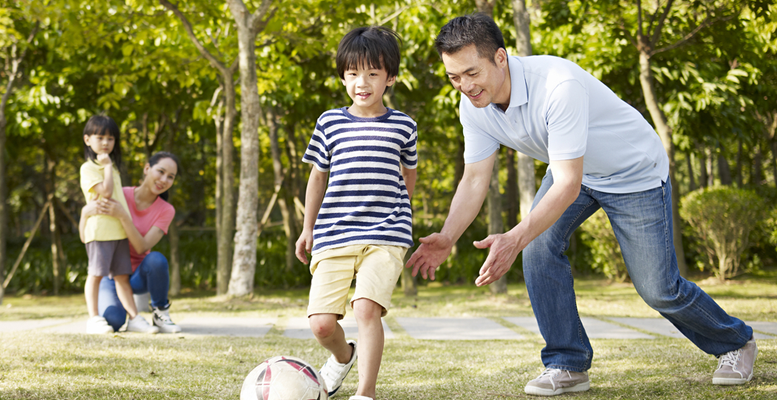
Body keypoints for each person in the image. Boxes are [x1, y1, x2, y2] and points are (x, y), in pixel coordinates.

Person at [405, 13, 756, 397]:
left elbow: (567, 185)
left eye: (471, 73)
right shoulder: (474, 106)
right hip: (574, 169)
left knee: (658, 289)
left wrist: (515, 236)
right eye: (454, 77)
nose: (464, 86)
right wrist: (448, 236)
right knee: (538, 249)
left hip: (632, 173)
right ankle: (566, 362)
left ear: (500, 58)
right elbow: (474, 178)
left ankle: (736, 342)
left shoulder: (557, 84)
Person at [295, 26, 417, 400]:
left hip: (385, 235)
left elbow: (408, 175)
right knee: (320, 324)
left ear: (390, 78)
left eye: (372, 73)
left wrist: (402, 215)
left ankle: (365, 393)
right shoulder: (329, 122)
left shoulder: (404, 125)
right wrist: (307, 228)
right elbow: (318, 178)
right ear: (343, 76)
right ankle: (344, 355)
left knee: (366, 309)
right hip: (334, 233)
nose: (361, 82)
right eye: (352, 73)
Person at [80, 151, 182, 334]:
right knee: (113, 321)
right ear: (147, 168)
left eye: (170, 177)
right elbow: (93, 228)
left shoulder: (166, 210)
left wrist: (123, 216)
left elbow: (142, 247)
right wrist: (84, 213)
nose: (164, 180)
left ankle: (160, 313)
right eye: (160, 171)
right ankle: (129, 316)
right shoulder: (121, 194)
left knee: (156, 260)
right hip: (112, 274)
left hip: (137, 276)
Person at [79, 115, 158, 334]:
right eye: (100, 137)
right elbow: (104, 191)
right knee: (95, 274)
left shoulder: (111, 168)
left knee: (122, 276)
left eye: (111, 138)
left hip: (118, 231)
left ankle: (134, 318)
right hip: (99, 231)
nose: (106, 142)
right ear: (88, 140)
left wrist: (107, 167)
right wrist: (105, 167)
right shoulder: (89, 168)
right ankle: (93, 318)